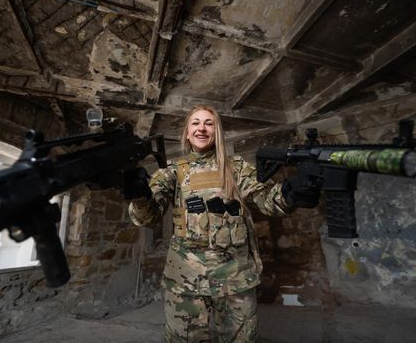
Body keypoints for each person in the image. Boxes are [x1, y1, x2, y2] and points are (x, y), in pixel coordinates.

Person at [125, 105, 320, 342]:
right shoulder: (172, 172)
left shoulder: (236, 168)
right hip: (186, 280)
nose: (202, 128)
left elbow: (267, 201)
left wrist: (290, 191)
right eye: (195, 123)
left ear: (217, 131)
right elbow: (147, 217)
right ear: (187, 132)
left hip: (235, 278)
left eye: (209, 123)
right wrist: (139, 196)